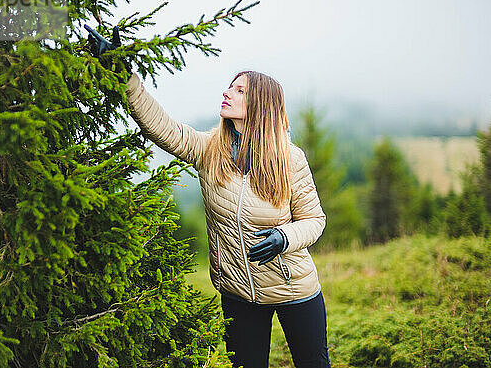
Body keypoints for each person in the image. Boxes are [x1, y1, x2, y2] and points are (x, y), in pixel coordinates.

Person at [85, 25, 331, 368]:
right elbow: (162, 127)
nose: (228, 92)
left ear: (261, 102)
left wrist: (283, 237)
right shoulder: (209, 149)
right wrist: (125, 76)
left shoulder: (289, 159)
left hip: (294, 289)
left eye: (240, 90)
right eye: (230, 86)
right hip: (237, 293)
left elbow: (315, 220)